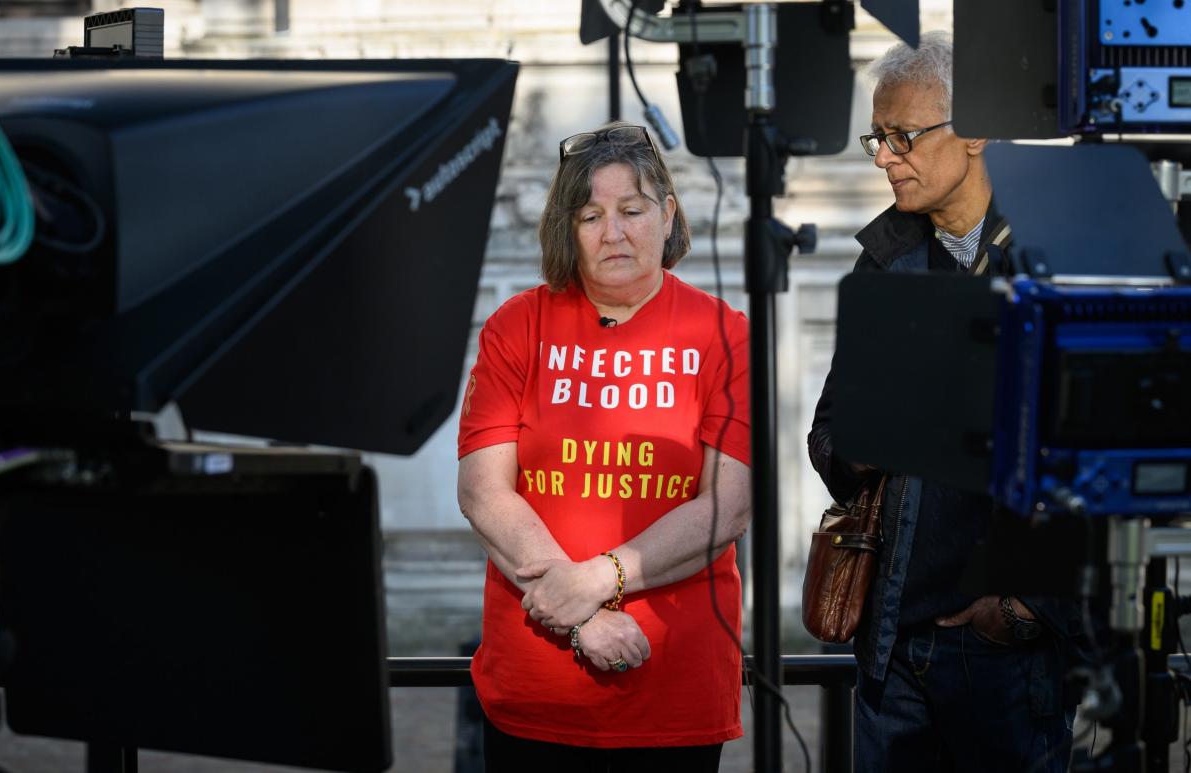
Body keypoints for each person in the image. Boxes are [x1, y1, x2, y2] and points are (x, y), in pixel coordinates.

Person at [807, 32, 1080, 773]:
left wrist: (1026, 611)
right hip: (892, 643)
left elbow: (1100, 452)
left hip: (1006, 655)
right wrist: (865, 443)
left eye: (904, 137)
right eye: (878, 137)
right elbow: (826, 436)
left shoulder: (1057, 254)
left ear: (975, 132)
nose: (884, 158)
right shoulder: (885, 260)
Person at [457, 121, 751, 772]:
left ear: (668, 213)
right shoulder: (517, 325)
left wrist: (594, 580)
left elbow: (727, 508)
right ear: (567, 226)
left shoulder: (725, 334)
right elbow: (483, 490)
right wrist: (578, 616)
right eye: (590, 214)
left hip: (674, 689)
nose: (613, 232)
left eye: (632, 210)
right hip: (538, 686)